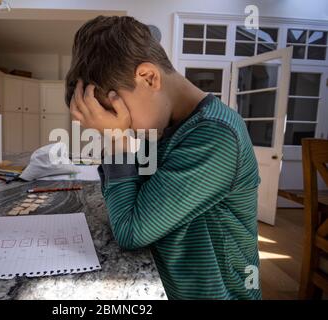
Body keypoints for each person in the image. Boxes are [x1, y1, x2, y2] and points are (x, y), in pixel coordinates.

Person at [65, 15, 261, 300]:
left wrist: (118, 141)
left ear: (148, 77)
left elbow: (131, 230)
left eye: (122, 116)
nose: (123, 127)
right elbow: (132, 200)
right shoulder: (163, 127)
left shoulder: (216, 135)